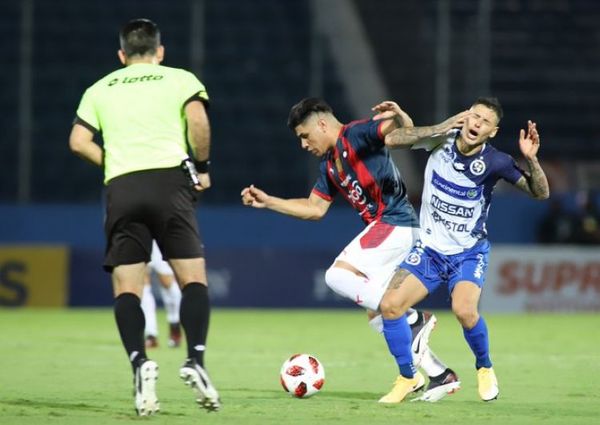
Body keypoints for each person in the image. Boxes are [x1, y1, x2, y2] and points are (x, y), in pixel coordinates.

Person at [241, 97, 460, 402]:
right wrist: (269, 201)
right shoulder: (329, 164)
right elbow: (315, 208)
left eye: (305, 136)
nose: (304, 144)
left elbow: (399, 133)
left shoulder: (356, 134)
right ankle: (439, 375)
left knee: (337, 277)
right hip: (389, 229)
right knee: (378, 313)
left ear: (321, 124)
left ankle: (412, 320)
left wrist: (405, 118)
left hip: (394, 223)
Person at [69, 18, 219, 415]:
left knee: (128, 288)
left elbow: (78, 141)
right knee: (192, 280)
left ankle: (140, 362)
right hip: (171, 183)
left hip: (123, 186)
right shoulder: (179, 78)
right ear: (160, 51)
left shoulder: (99, 88)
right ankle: (196, 361)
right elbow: (198, 120)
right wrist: (201, 167)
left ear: (121, 55)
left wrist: (112, 163)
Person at [372, 97, 550, 403]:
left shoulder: (496, 162)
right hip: (429, 251)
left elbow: (541, 193)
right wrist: (439, 127)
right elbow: (393, 139)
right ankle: (408, 377)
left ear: (492, 132)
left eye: (485, 122)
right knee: (389, 306)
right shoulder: (441, 139)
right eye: (474, 116)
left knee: (465, 311)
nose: (477, 123)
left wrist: (531, 159)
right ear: (465, 117)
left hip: (468, 253)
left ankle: (485, 367)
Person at [142, 241, 182, 349]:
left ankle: (175, 322)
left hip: (158, 235)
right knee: (142, 284)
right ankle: (151, 334)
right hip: (138, 233)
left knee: (167, 282)